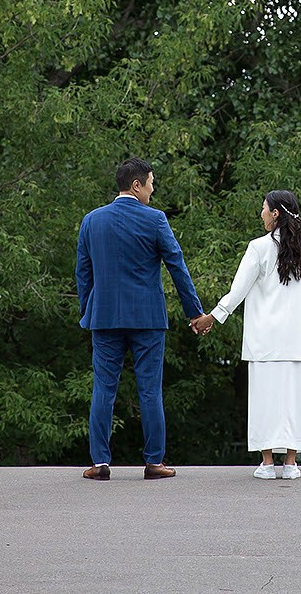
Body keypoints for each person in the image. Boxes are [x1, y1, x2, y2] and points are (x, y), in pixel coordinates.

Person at [76, 157, 205, 480]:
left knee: (103, 389)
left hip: (104, 318)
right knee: (150, 390)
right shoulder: (155, 220)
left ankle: (100, 463)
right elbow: (177, 265)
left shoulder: (92, 221)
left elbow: (83, 273)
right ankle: (154, 462)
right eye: (150, 183)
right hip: (147, 317)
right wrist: (195, 312)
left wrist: (88, 310)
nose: (152, 189)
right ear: (136, 185)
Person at [191, 189, 301, 480]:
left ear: (275, 213)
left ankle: (266, 463)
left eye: (264, 209)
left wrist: (212, 316)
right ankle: (290, 462)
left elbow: (238, 290)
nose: (261, 214)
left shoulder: (258, 248)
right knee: (294, 400)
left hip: (264, 339)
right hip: (296, 337)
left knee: (264, 400)